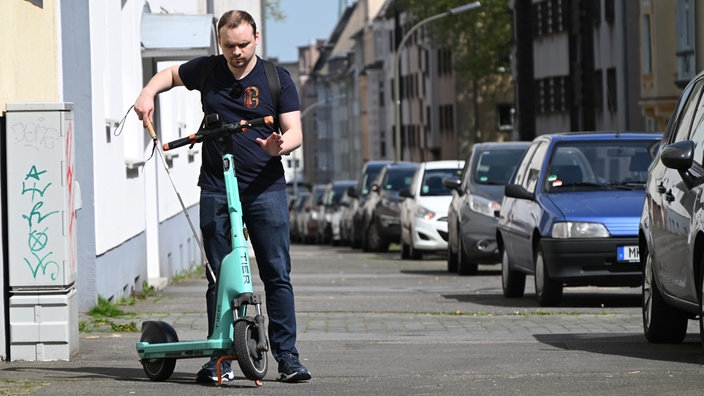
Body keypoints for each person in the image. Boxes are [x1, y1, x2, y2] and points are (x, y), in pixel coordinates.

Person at [133, 10, 310, 384]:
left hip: (265, 189)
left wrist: (281, 146)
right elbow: (169, 75)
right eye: (229, 45)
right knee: (218, 276)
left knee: (277, 274)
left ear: (256, 38)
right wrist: (147, 93)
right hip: (216, 187)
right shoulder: (208, 70)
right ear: (219, 42)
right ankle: (222, 360)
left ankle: (288, 358)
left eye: (244, 44)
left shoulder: (277, 79)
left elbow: (294, 130)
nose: (237, 52)